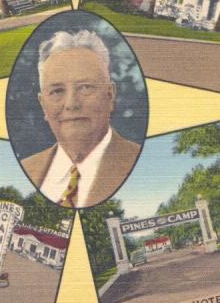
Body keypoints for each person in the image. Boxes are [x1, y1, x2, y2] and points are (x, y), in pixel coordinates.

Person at [20, 30, 141, 208]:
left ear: (110, 95)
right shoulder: (27, 168)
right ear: (43, 104)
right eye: (57, 91)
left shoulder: (140, 165)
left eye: (85, 87)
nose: (71, 104)